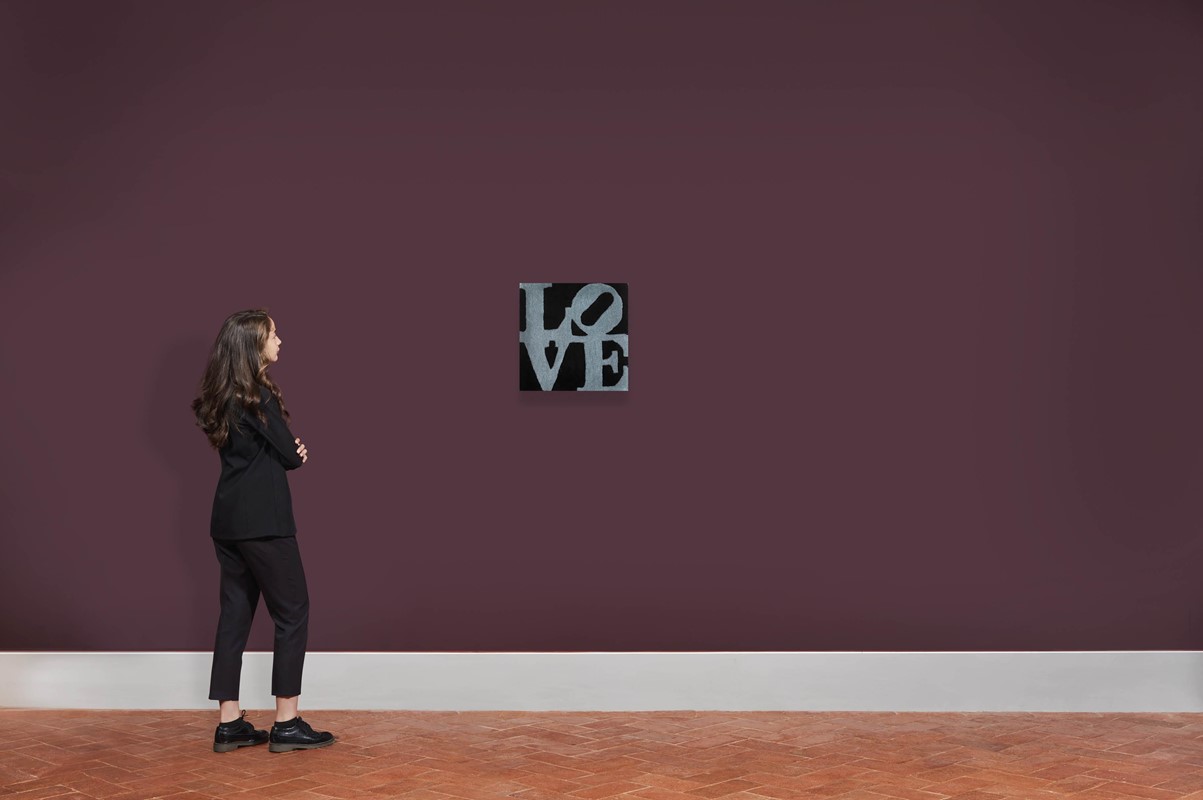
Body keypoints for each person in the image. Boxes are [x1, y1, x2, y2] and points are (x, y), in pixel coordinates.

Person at [191, 309, 335, 754]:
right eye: (273, 334)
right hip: (264, 522)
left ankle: (229, 723)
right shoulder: (257, 396)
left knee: (234, 616)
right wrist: (295, 451)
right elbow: (290, 455)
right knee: (293, 611)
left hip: (227, 521)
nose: (279, 340)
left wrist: (286, 449)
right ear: (254, 345)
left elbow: (268, 449)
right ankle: (287, 722)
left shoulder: (222, 395)